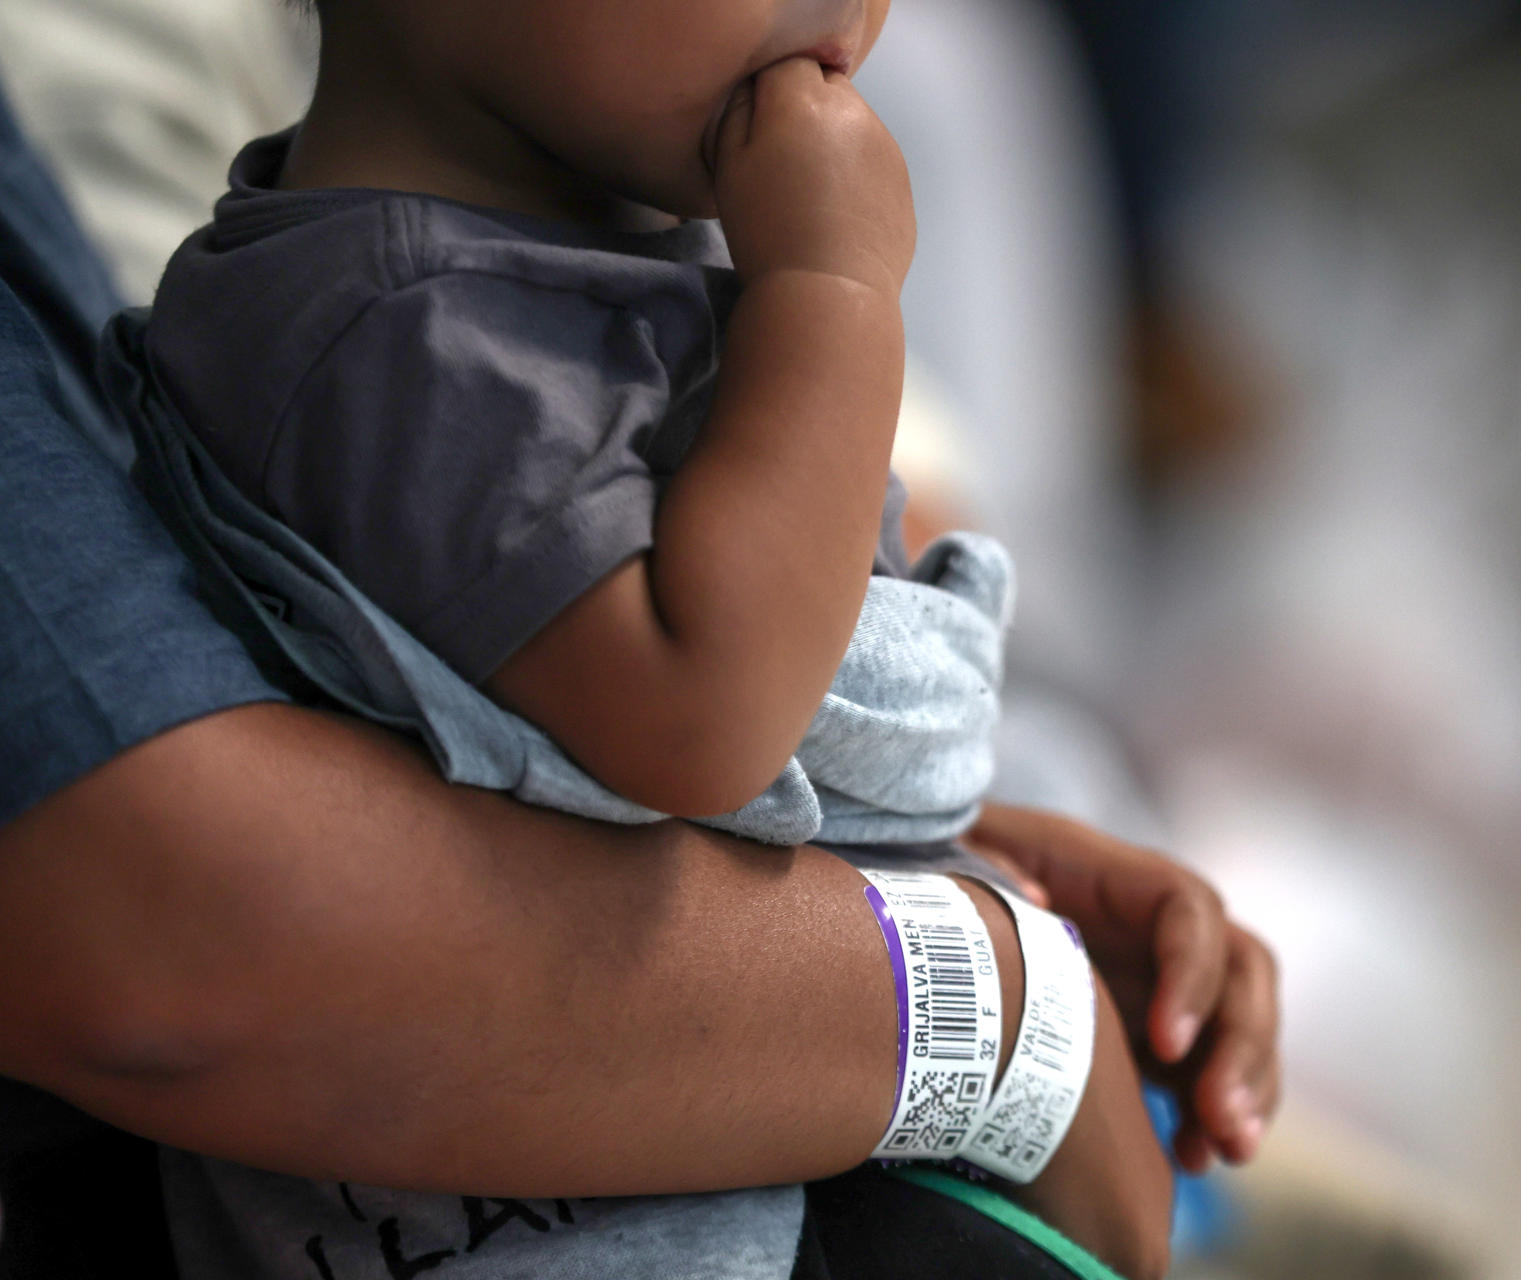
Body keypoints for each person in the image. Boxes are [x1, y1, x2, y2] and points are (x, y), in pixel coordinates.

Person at [0, 23, 1277, 1280]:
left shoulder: (551, 247)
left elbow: (564, 752)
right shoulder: (406, 333)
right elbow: (702, 725)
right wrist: (833, 297)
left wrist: (978, 852)